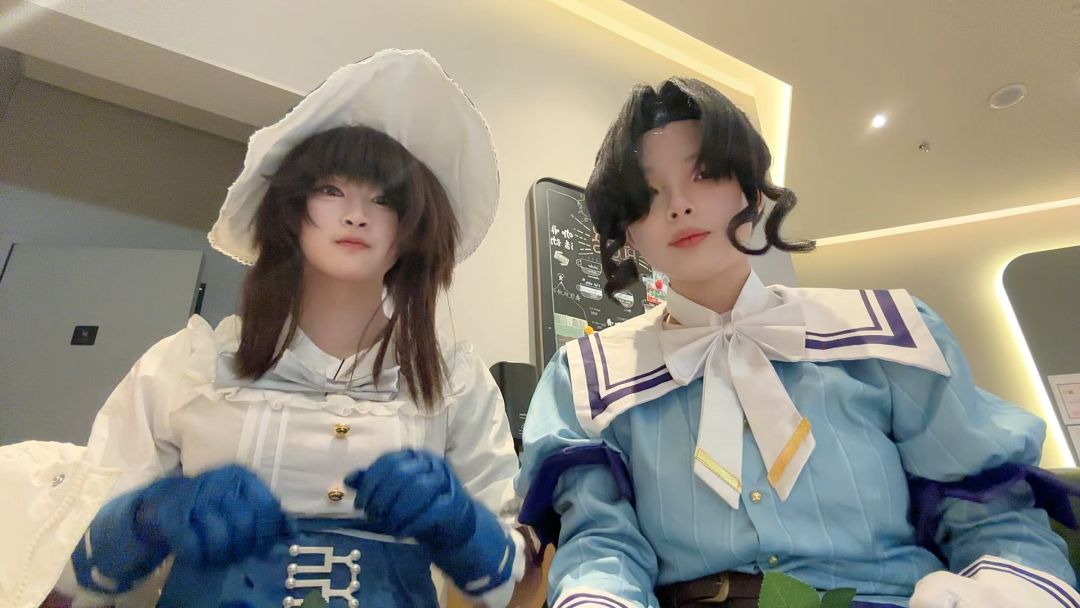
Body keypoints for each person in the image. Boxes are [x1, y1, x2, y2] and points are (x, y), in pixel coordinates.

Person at [515, 76, 1080, 608]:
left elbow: (989, 515)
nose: (678, 205)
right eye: (647, 193)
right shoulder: (587, 376)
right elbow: (602, 545)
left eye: (704, 174)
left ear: (753, 191)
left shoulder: (889, 333)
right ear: (628, 231)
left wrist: (1001, 590)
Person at [54, 49, 531, 607]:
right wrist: (148, 517)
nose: (356, 214)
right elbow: (67, 568)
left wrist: (462, 527)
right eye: (331, 190)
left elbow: (512, 581)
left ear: (413, 226)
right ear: (290, 206)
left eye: (384, 199)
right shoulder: (186, 366)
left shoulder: (456, 383)